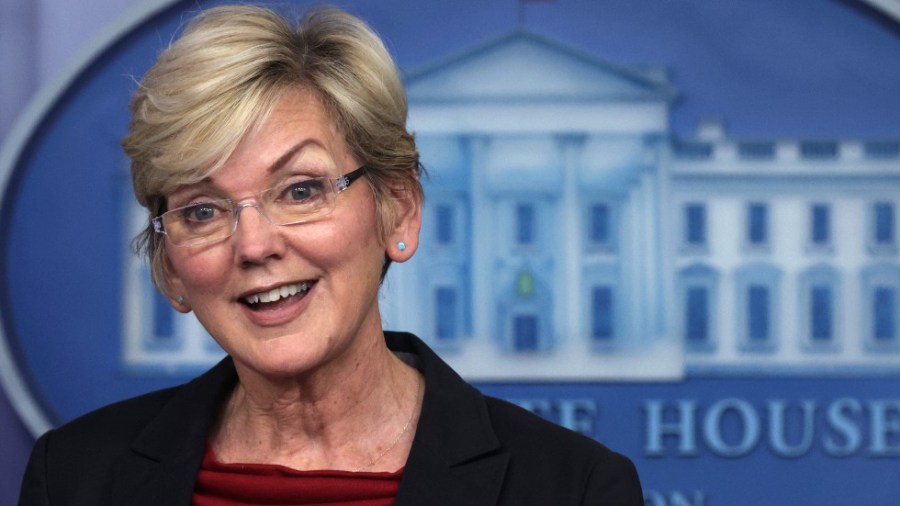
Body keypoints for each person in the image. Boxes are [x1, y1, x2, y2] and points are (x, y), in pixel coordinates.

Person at [18, 4, 643, 505]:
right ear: (171, 268)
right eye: (203, 211)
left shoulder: (573, 488)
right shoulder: (73, 479)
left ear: (397, 210)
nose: (257, 245)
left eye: (301, 190)